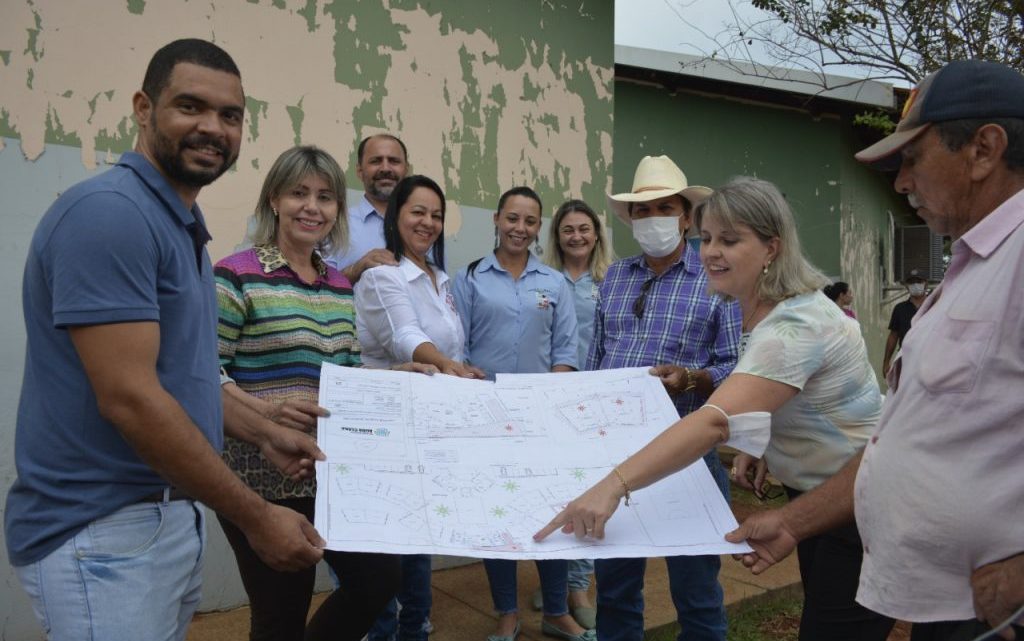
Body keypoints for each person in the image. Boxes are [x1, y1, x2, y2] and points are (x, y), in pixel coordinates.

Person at [5, 39, 325, 641]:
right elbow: (132, 398)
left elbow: (182, 379)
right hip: (101, 529)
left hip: (162, 518)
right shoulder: (111, 213)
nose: (213, 128)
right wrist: (256, 516)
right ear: (143, 108)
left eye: (230, 116)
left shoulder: (179, 229)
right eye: (190, 106)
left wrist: (266, 431)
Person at [725, 59, 1024, 641]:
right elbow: (904, 441)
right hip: (954, 601)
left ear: (984, 149)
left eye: (912, 158)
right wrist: (793, 521)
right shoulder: (972, 266)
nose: (902, 181)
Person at [538, 176, 895, 641]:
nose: (710, 252)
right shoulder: (760, 310)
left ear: (772, 248)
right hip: (823, 500)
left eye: (730, 240)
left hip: (862, 505)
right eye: (706, 239)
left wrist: (611, 487)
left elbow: (712, 420)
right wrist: (761, 445)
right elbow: (789, 395)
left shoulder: (794, 325)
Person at [216, 146, 429, 641]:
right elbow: (204, 368)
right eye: (299, 193)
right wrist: (267, 415)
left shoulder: (336, 283)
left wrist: (400, 375)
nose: (312, 207)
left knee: (378, 579)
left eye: (325, 197)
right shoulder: (235, 274)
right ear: (274, 199)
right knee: (280, 615)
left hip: (330, 473)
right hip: (260, 477)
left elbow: (348, 374)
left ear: (337, 209)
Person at [557, 155, 739, 641]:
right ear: (631, 220)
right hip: (617, 457)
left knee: (697, 594)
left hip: (688, 458)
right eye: (642, 210)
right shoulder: (615, 277)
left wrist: (691, 379)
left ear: (685, 217)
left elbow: (735, 367)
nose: (653, 219)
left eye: (664, 208)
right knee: (616, 593)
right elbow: (597, 359)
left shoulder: (716, 276)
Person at [453, 187, 589, 641]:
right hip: (486, 416)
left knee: (553, 513)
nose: (520, 229)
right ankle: (507, 613)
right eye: (512, 218)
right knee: (499, 517)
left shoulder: (552, 283)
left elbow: (565, 350)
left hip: (541, 421)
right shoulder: (470, 277)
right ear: (496, 218)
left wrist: (551, 405)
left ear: (538, 226)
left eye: (530, 222)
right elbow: (459, 348)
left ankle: (555, 611)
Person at [354, 175, 484, 641]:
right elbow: (405, 338)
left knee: (418, 544)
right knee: (387, 553)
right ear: (396, 217)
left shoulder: (440, 279)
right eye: (417, 212)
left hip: (428, 434)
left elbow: (453, 344)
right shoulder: (381, 276)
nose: (428, 222)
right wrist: (449, 364)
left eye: (436, 214)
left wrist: (462, 369)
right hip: (386, 432)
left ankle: (416, 631)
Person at [533, 198, 615, 629]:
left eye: (585, 228)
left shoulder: (610, 281)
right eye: (568, 229)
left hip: (594, 400)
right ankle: (554, 583)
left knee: (588, 487)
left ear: (597, 234)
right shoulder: (543, 280)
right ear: (557, 236)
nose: (577, 236)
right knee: (552, 487)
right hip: (551, 397)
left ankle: (578, 584)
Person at [324, 133, 410, 283]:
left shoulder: (425, 228)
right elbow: (318, 289)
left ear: (406, 169)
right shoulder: (335, 224)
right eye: (376, 161)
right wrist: (357, 269)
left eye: (394, 161)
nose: (385, 168)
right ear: (359, 171)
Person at [882, 270, 927, 374]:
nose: (915, 284)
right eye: (911, 282)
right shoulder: (900, 308)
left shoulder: (935, 305)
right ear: (906, 286)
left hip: (931, 358)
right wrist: (886, 362)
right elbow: (893, 335)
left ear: (925, 283)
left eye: (919, 281)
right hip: (906, 359)